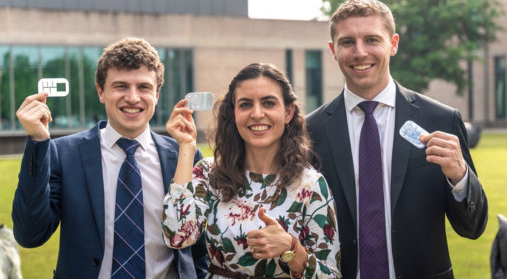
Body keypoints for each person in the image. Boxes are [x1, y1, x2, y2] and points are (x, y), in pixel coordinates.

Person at [306, 0, 488, 279]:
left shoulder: (441, 120)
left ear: (393, 43)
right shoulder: (309, 131)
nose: (360, 52)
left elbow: (473, 228)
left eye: (372, 39)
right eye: (347, 42)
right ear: (333, 49)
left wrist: (459, 176)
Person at [12, 37, 208, 279]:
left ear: (157, 94)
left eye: (144, 87)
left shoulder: (184, 155)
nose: (133, 98)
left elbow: (199, 249)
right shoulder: (63, 154)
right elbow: (30, 235)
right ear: (101, 92)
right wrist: (38, 144)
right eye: (121, 86)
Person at [161, 63, 342, 278]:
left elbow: (331, 275)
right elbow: (177, 236)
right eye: (245, 104)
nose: (257, 114)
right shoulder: (210, 173)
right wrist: (187, 147)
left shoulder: (311, 185)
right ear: (234, 113)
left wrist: (292, 249)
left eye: (268, 103)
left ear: (288, 112)